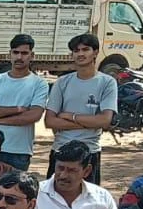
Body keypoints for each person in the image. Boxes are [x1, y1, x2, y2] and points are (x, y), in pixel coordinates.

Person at [44, 33, 118, 183]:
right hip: (61, 150)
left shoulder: (107, 82)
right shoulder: (62, 82)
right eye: (76, 51)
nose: (80, 54)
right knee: (55, 195)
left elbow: (105, 120)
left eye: (85, 49)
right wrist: (90, 122)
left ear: (95, 52)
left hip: (90, 152)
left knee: (88, 197)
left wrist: (71, 116)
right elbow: (49, 121)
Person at [0, 34, 49, 171]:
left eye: (24, 53)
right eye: (15, 52)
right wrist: (17, 109)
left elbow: (33, 116)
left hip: (19, 151)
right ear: (9, 54)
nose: (19, 57)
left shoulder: (39, 84)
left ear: (32, 55)